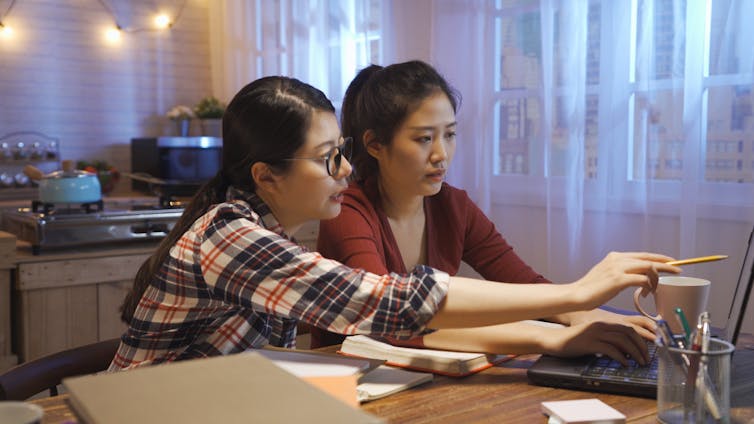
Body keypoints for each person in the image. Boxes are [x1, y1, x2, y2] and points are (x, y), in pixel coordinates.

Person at [109, 75, 679, 371]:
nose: (345, 168)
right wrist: (571, 302)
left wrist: (578, 314)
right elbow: (380, 304)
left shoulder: (261, 230)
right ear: (267, 175)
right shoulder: (232, 236)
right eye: (328, 156)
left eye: (449, 135)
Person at [314, 60, 666, 359]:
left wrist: (584, 315)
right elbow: (392, 325)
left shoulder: (453, 206)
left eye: (449, 135)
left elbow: (524, 284)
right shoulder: (347, 212)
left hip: (430, 383)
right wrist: (551, 337)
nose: (441, 154)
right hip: (352, 388)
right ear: (375, 144)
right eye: (424, 138)